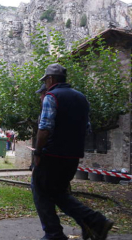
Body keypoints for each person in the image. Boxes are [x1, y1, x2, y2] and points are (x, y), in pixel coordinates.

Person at [32, 63, 113, 240]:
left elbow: (45, 128)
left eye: (45, 80)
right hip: (72, 156)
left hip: (51, 155)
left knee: (40, 192)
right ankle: (93, 222)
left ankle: (55, 234)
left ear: (50, 79)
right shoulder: (82, 98)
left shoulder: (51, 96)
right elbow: (87, 128)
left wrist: (38, 152)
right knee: (58, 192)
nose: (45, 84)